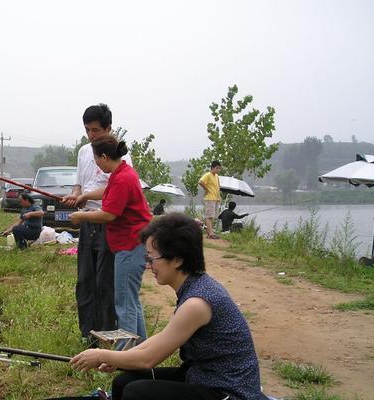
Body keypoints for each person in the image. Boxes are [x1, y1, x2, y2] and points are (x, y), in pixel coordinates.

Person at [70, 213, 269, 400]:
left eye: (151, 258)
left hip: (228, 391)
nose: (148, 266)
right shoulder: (194, 287)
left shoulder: (197, 303)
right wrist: (119, 358)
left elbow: (148, 359)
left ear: (178, 259)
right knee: (125, 381)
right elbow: (163, 338)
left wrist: (100, 354)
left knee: (136, 392)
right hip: (201, 376)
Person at [70, 135, 151, 342]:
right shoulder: (121, 173)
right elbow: (107, 192)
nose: (96, 166)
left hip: (130, 246)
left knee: (124, 304)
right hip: (132, 245)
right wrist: (85, 196)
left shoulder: (123, 178)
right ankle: (140, 349)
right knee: (131, 301)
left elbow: (108, 215)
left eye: (96, 161)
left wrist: (81, 215)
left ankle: (124, 355)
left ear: (104, 157)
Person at [61, 103, 131, 342]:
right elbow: (79, 182)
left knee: (104, 282)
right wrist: (76, 196)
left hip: (108, 222)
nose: (91, 136)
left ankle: (107, 333)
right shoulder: (83, 152)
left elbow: (114, 189)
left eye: (95, 130)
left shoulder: (120, 155)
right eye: (87, 130)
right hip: (88, 220)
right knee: (85, 280)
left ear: (108, 128)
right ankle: (87, 333)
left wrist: (85, 197)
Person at [198, 161, 222, 239]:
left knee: (213, 216)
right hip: (209, 198)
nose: (218, 170)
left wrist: (219, 197)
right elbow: (201, 182)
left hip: (215, 198)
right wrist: (207, 189)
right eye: (217, 168)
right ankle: (211, 233)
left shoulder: (217, 176)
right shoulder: (208, 174)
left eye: (219, 168)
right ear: (212, 168)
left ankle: (210, 233)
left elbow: (218, 187)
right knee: (209, 216)